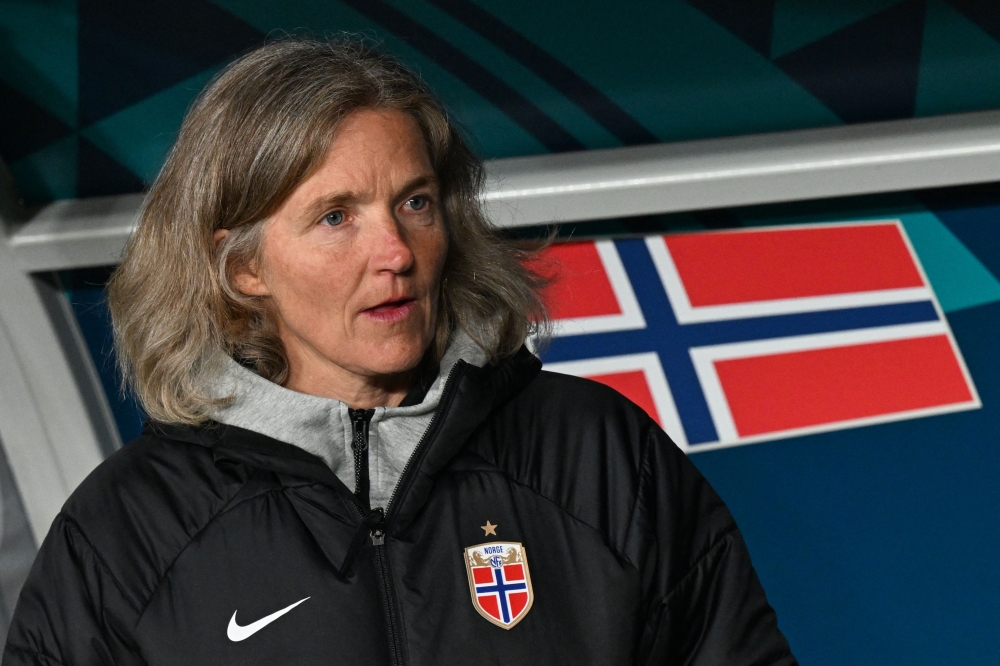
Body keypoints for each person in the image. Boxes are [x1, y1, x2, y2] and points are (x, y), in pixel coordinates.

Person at [3, 39, 796, 665]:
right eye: (336, 217)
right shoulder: (130, 530)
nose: (395, 250)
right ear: (244, 268)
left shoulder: (596, 455)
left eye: (414, 202)